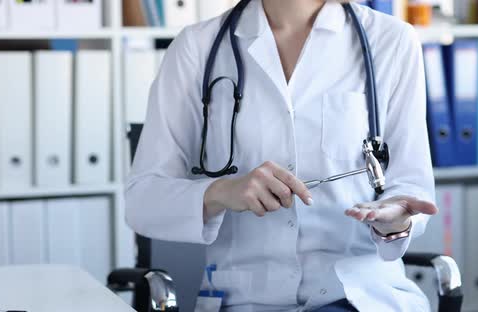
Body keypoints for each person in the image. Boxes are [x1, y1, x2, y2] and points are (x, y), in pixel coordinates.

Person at [126, 0, 438, 311]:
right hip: (244, 297)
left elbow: (410, 186)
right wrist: (220, 192)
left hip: (356, 293)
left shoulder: (391, 40)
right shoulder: (197, 47)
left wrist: (394, 221)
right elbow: (143, 201)